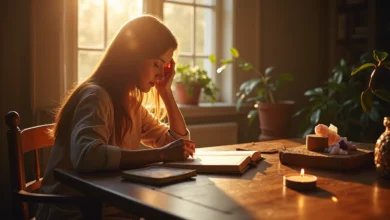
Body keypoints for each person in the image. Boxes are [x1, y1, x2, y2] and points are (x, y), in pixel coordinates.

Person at [36, 14, 195, 220]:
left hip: (108, 207)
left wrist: (166, 92)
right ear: (134, 56)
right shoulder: (96, 96)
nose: (160, 74)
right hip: (76, 211)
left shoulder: (130, 104)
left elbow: (179, 144)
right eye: (157, 64)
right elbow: (87, 157)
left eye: (164, 66)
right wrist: (161, 155)